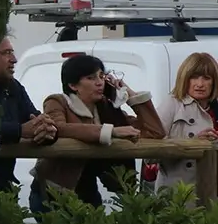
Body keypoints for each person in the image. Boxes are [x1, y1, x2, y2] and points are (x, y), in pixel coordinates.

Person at [30, 53, 166, 215]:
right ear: (73, 85)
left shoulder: (106, 109)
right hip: (54, 192)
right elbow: (59, 128)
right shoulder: (58, 101)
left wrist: (129, 93)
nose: (99, 82)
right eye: (91, 78)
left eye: (102, 76)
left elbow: (155, 131)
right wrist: (110, 131)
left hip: (88, 191)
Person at [0, 33, 56, 192]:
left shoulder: (12, 87)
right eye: (6, 53)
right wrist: (20, 130)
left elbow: (35, 119)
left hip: (5, 188)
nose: (14, 59)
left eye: (12, 52)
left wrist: (47, 130)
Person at [154, 51, 218, 203]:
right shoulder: (172, 103)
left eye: (206, 78)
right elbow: (151, 153)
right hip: (178, 194)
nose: (200, 84)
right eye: (194, 77)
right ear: (184, 78)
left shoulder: (215, 108)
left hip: (211, 193)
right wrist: (193, 144)